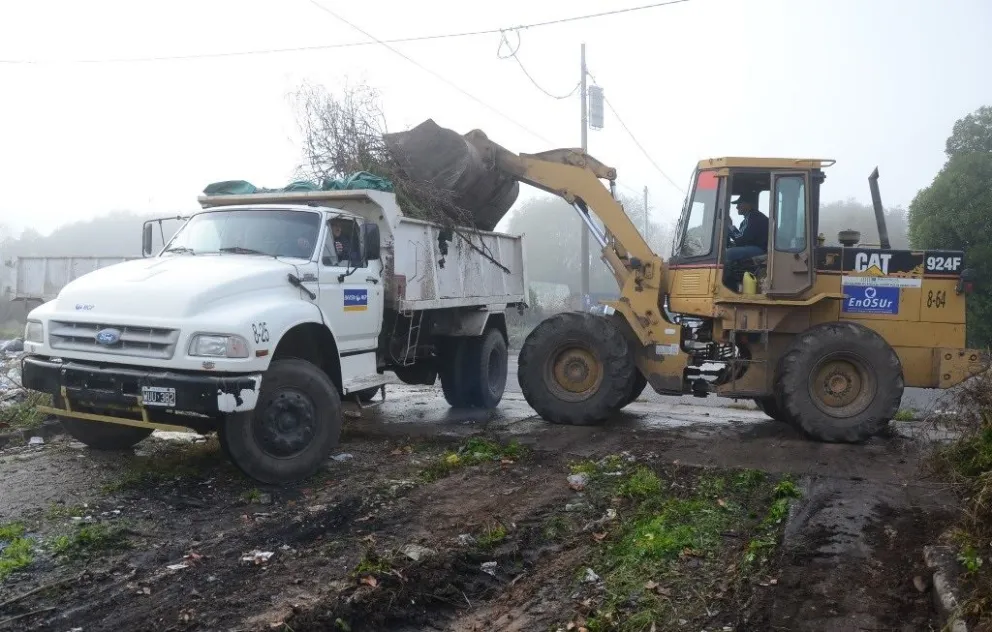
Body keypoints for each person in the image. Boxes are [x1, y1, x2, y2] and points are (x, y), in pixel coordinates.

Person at [723, 191, 769, 289]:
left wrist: (730, 226)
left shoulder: (753, 217)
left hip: (761, 249)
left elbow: (741, 240)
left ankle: (729, 286)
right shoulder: (751, 218)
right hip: (757, 247)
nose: (737, 207)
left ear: (749, 204)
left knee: (728, 253)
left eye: (739, 204)